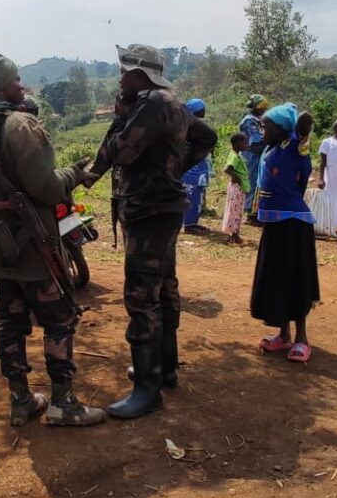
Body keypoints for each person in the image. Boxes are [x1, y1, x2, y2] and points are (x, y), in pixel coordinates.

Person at [0, 51, 107, 427]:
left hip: (2, 247)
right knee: (59, 320)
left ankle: (20, 400)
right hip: (35, 248)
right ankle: (63, 404)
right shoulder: (21, 125)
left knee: (10, 322)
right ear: (2, 85)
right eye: (15, 79)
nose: (21, 85)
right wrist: (73, 174)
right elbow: (48, 187)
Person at [84, 44, 213, 419]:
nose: (120, 77)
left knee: (142, 296)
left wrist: (120, 118)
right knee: (164, 288)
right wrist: (174, 168)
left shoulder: (152, 104)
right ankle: (164, 369)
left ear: (141, 74)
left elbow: (123, 151)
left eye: (124, 71)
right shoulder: (171, 103)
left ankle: (147, 389)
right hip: (163, 209)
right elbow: (206, 136)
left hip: (149, 212)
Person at [251, 104, 323, 363]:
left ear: (282, 129)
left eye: (267, 126)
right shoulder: (270, 150)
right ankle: (283, 335)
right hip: (274, 223)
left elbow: (305, 119)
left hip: (294, 223)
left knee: (295, 279)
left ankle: (302, 338)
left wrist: (292, 123)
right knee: (277, 279)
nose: (263, 130)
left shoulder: (296, 146)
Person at [180, 99, 213, 233]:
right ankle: (189, 225)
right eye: (202, 109)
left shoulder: (191, 126)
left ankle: (193, 222)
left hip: (198, 169)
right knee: (192, 196)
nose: (204, 111)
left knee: (196, 197)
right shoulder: (192, 129)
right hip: (193, 170)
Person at [238, 94, 270, 216]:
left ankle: (253, 208)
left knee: (256, 181)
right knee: (251, 180)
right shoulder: (250, 121)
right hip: (251, 155)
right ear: (258, 108)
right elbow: (256, 139)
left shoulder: (257, 120)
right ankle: (249, 210)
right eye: (263, 108)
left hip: (256, 155)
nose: (264, 110)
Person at [221, 133, 251, 244]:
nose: (247, 144)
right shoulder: (234, 156)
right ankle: (234, 235)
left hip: (237, 187)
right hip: (236, 188)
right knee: (236, 211)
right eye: (245, 142)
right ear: (238, 143)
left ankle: (233, 233)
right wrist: (237, 178)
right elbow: (227, 169)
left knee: (235, 210)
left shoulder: (236, 155)